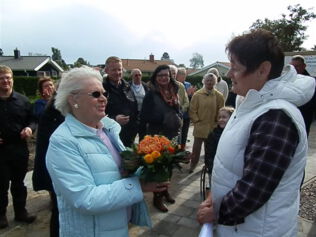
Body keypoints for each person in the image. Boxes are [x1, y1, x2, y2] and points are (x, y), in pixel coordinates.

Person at [197, 29, 315, 237]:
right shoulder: (252, 103)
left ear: (263, 70)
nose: (228, 74)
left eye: (235, 68)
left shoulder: (276, 118)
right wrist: (214, 196)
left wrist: (217, 211)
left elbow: (254, 190)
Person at [46, 66, 168, 237]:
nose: (103, 98)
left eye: (104, 93)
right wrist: (138, 186)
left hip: (115, 225)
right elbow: (85, 199)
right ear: (74, 100)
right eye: (96, 94)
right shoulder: (63, 142)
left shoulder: (107, 129)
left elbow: (118, 171)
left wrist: (151, 168)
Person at [140, 65, 182, 212]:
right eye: (160, 76)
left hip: (173, 135)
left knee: (170, 165)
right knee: (158, 167)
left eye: (166, 75)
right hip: (157, 135)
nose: (164, 78)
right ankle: (157, 198)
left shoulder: (174, 91)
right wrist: (163, 117)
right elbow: (144, 116)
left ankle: (165, 191)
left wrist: (178, 115)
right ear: (155, 78)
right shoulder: (151, 94)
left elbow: (178, 109)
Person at [0, 65, 37, 229]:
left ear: (12, 79)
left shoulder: (23, 100)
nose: (5, 81)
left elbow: (33, 120)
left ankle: (21, 212)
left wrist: (30, 128)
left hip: (19, 148)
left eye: (8, 78)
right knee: (0, 184)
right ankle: (1, 216)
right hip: (0, 151)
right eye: (1, 78)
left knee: (19, 183)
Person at [32, 86, 64, 237]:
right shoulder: (54, 112)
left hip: (57, 168)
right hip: (56, 168)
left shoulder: (58, 110)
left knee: (60, 207)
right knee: (60, 208)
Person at [188, 73, 224, 173]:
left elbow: (222, 111)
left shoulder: (219, 96)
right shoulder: (197, 95)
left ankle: (209, 166)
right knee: (196, 150)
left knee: (210, 150)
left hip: (212, 127)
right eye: (207, 80)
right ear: (203, 81)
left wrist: (217, 122)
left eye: (212, 81)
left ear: (215, 82)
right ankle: (193, 165)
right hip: (200, 127)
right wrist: (196, 120)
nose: (209, 82)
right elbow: (192, 110)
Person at [103, 56, 138, 147]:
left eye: (120, 69)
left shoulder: (128, 87)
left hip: (129, 138)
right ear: (106, 70)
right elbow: (95, 116)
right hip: (109, 138)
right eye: (114, 70)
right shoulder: (101, 89)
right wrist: (114, 119)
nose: (117, 73)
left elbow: (135, 110)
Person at [204, 106, 234, 183]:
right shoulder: (213, 134)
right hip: (215, 169)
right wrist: (211, 168)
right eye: (219, 117)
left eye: (224, 117)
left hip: (230, 171)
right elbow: (208, 153)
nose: (221, 119)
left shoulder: (235, 134)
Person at [290, 55, 316, 136]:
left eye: (297, 66)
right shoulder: (287, 80)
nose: (295, 69)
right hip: (290, 116)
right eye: (292, 66)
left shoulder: (312, 82)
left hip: (305, 116)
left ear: (304, 66)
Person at [176, 67, 195, 150]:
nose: (184, 76)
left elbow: (191, 99)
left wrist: (191, 94)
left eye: (185, 74)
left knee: (184, 134)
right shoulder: (174, 84)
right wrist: (187, 94)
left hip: (186, 114)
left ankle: (182, 150)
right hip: (177, 114)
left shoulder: (188, 84)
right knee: (177, 134)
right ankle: (176, 150)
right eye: (182, 74)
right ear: (177, 75)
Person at [129, 68, 149, 141]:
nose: (138, 77)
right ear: (132, 76)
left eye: (139, 75)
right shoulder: (127, 86)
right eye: (136, 75)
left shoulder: (146, 86)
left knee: (143, 138)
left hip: (143, 116)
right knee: (130, 138)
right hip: (131, 116)